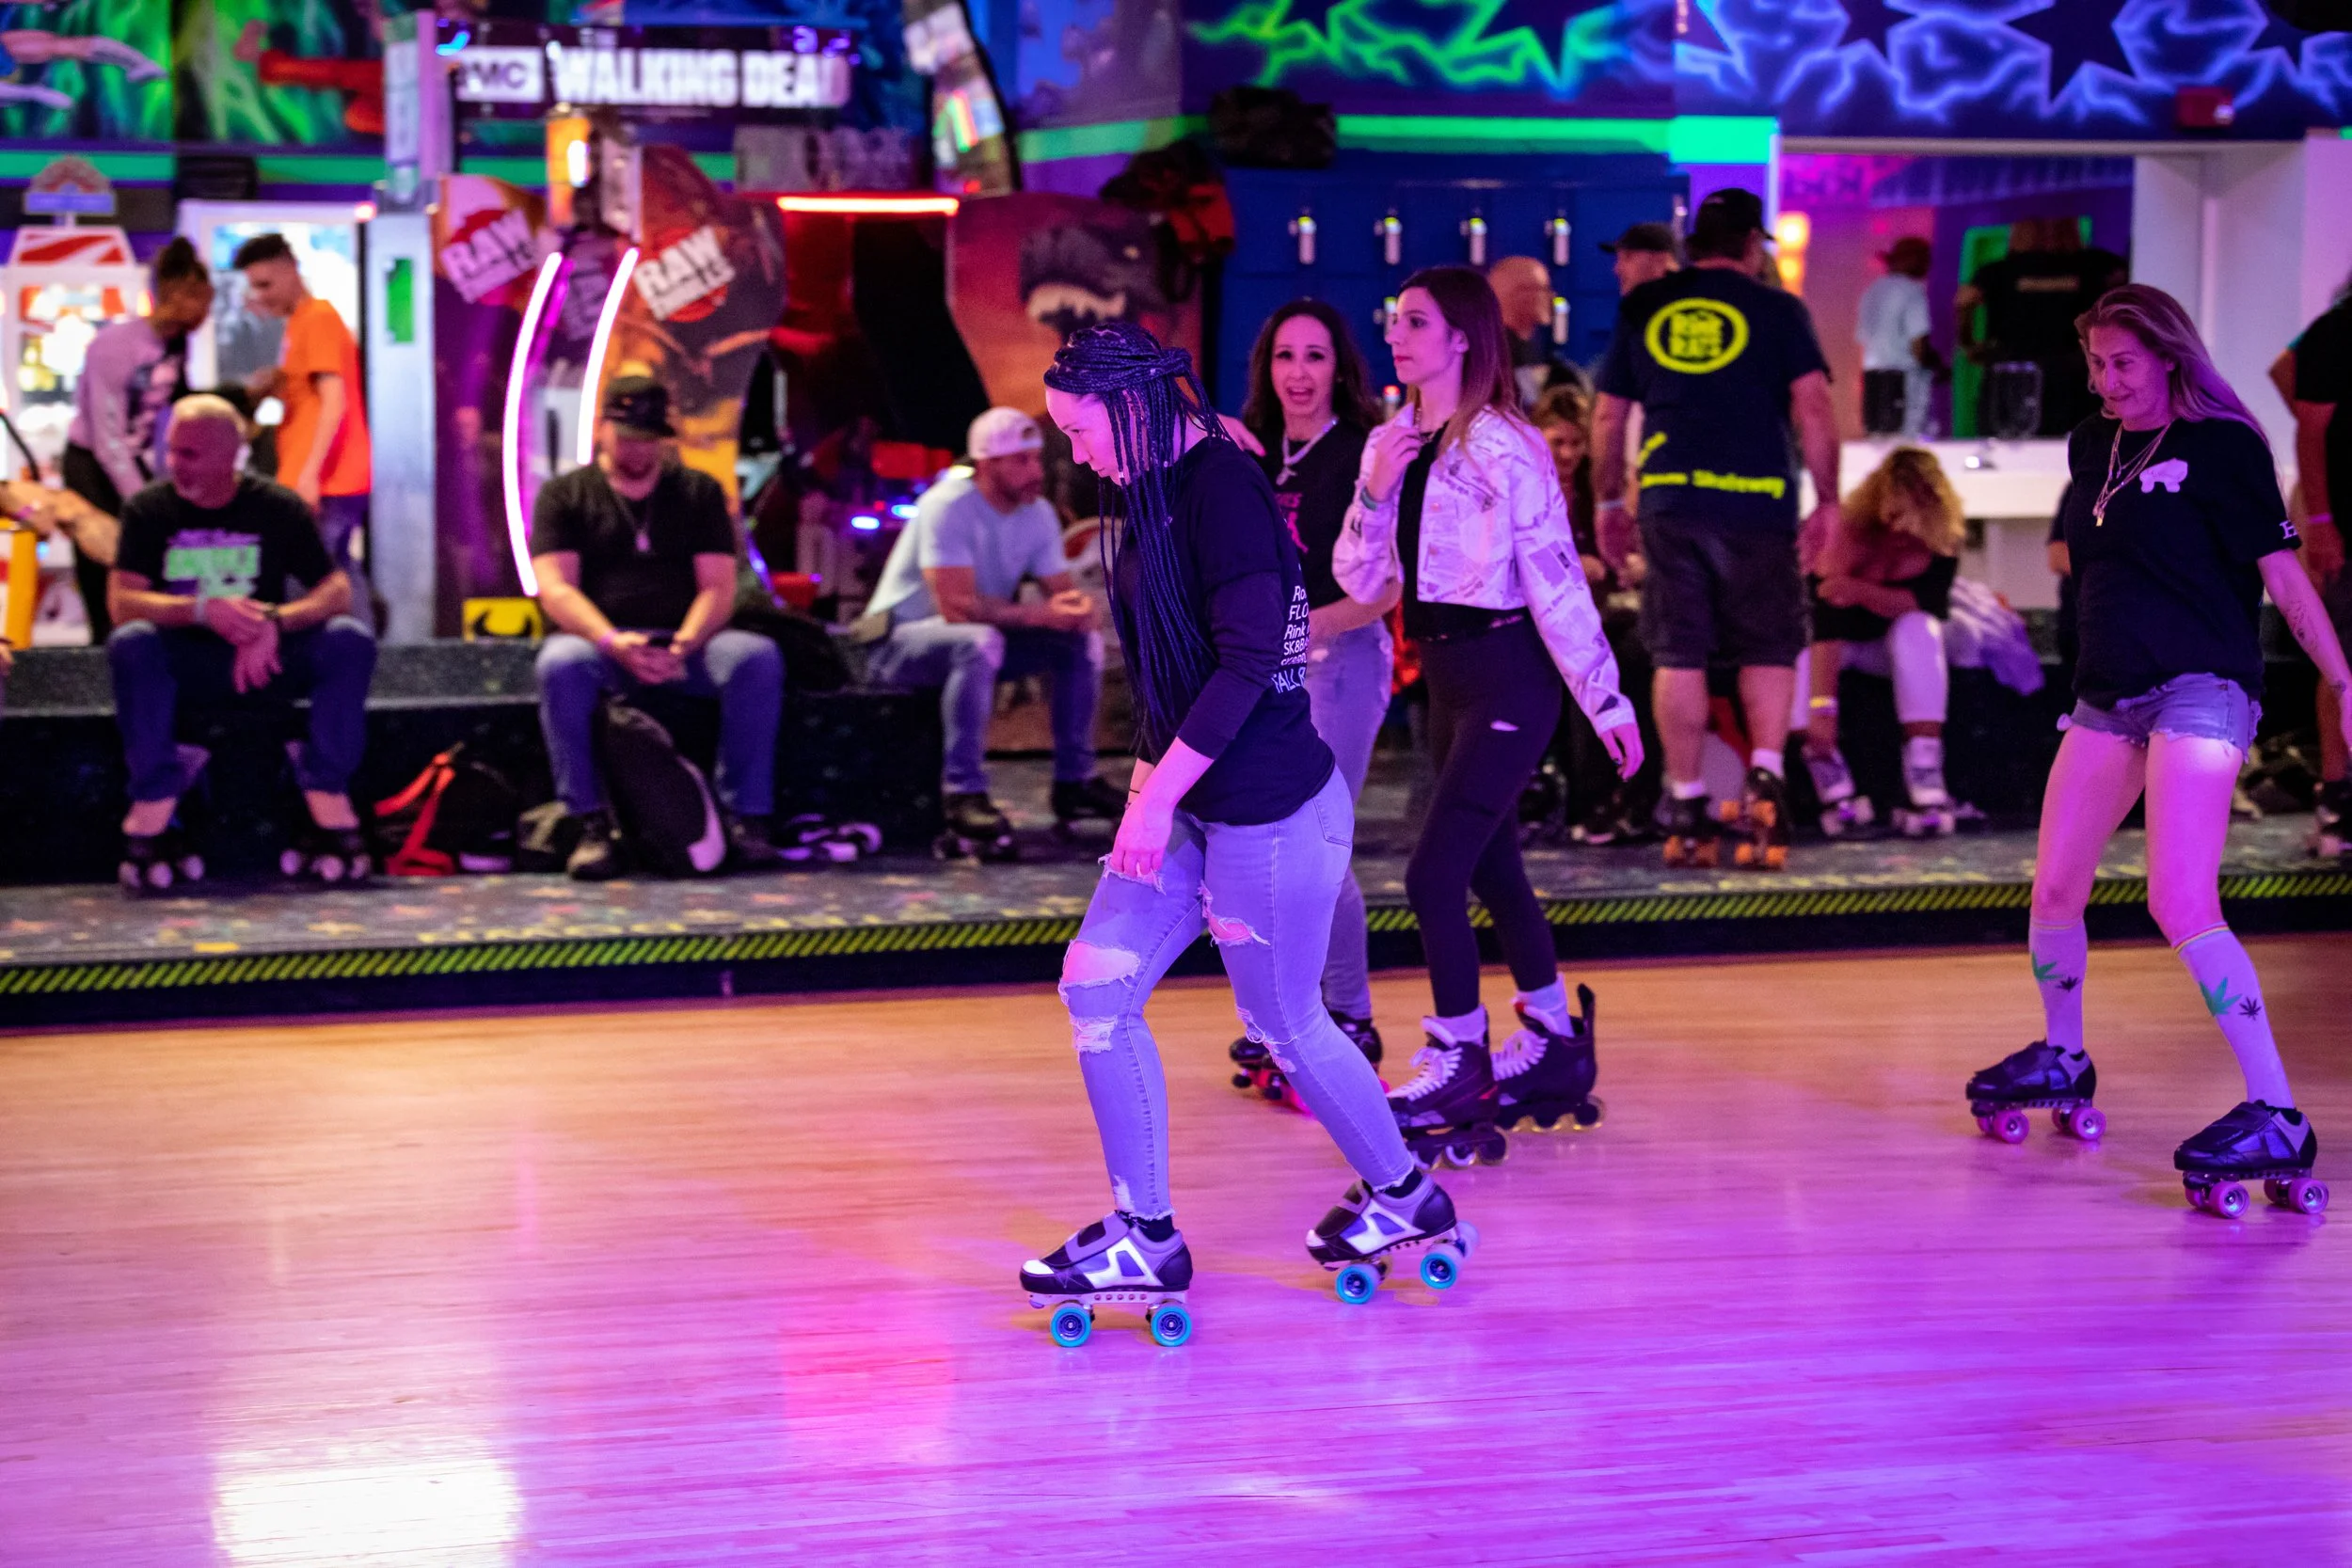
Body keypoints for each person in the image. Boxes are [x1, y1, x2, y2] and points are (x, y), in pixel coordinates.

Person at [1023, 320, 1469, 1336]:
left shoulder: (1220, 491)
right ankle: (1146, 1231)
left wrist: (1147, 801)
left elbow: (1242, 666)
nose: (1074, 454)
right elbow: (1164, 682)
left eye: (1081, 431)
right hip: (1194, 802)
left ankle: (1405, 1194)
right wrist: (1152, 793)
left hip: (1270, 810)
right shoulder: (1153, 485)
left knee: (1285, 1025)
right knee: (1095, 983)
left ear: (1132, 411)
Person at [1965, 284, 2352, 1214]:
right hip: (2105, 694)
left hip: (2201, 689)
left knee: (2178, 894)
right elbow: (2087, 559)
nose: (2106, 381)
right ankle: (2063, 1052)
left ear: (2169, 356)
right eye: (2096, 364)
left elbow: (2281, 577)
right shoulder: (2091, 443)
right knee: (2055, 885)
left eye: (2122, 363)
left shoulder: (2225, 446)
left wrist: (2341, 681)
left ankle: (2276, 1108)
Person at [1336, 266, 1641, 1156]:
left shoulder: (1508, 446)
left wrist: (1604, 697)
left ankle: (1459, 1054)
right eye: (1394, 320)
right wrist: (1372, 489)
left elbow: (1554, 577)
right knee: (1494, 867)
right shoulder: (1390, 441)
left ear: (1463, 337)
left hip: (1511, 674)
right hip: (1445, 678)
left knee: (1433, 873)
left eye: (1418, 322)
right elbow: (1360, 578)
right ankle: (1550, 1038)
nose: (1398, 335)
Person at [1592, 186, 1841, 871]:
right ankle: (1765, 772)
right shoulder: (1779, 309)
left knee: (1680, 650)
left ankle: (1687, 795)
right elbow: (1814, 405)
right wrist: (1828, 499)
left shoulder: (1644, 305)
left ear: (1696, 243)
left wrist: (1608, 504)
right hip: (1758, 498)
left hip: (1671, 498)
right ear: (1752, 245)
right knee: (1767, 641)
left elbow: (1609, 417)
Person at [1222, 297, 1394, 1085]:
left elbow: (1388, 583)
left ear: (1340, 367)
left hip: (1343, 659)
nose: (1298, 372)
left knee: (1319, 841)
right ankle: (1277, 1015)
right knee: (1259, 845)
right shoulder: (1254, 451)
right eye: (1285, 356)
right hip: (1268, 667)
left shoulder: (1362, 453)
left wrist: (1312, 625)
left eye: (1315, 356)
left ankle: (1350, 1014)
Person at [105, 395, 376, 889]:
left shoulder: (276, 507)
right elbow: (122, 602)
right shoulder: (150, 510)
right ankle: (154, 792)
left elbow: (335, 591)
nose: (174, 465)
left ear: (229, 456)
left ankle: (325, 784)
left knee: (349, 639)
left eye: (190, 454)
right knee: (133, 641)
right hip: (188, 656)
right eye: (172, 451)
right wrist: (204, 611)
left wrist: (275, 621)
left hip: (264, 657)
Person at [531, 376, 785, 880]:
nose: (637, 448)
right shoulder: (565, 495)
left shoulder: (697, 492)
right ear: (603, 429)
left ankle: (745, 817)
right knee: (560, 663)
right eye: (626, 435)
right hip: (603, 644)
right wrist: (612, 640)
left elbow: (717, 587)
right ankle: (589, 822)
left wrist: (687, 642)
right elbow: (556, 588)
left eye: (647, 437)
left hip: (687, 642)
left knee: (754, 657)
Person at [864, 407, 1120, 857]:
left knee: (1078, 639)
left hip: (974, 640)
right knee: (979, 641)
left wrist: (1078, 608)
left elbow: (1059, 590)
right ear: (987, 464)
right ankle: (962, 792)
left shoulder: (1036, 512)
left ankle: (1074, 782)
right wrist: (1042, 614)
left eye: (1036, 459)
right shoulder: (948, 505)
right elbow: (956, 606)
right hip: (898, 642)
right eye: (1021, 461)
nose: (1035, 471)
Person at [1793, 447, 1964, 836]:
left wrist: (1857, 589)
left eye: (1913, 521)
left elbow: (1926, 604)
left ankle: (1925, 773)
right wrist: (1823, 706)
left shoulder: (1942, 541)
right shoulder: (1846, 533)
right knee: (1796, 654)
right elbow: (1824, 619)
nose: (1901, 531)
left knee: (1919, 630)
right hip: (1830, 643)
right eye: (1894, 516)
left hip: (1887, 645)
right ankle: (1830, 778)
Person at [60, 236, 214, 642]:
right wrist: (142, 501)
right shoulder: (114, 347)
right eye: (202, 299)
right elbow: (108, 438)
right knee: (105, 563)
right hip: (91, 463)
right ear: (178, 294)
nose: (207, 311)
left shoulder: (177, 342)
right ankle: (102, 653)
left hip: (131, 458)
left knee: (146, 563)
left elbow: (179, 404)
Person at [1533, 383, 1657, 843]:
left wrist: (1630, 565)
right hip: (1547, 619)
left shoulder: (1602, 489)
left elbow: (1639, 551)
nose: (1567, 454)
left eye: (1575, 443)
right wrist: (1572, 568)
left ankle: (1638, 796)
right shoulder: (1526, 489)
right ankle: (1592, 802)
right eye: (1557, 442)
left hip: (1608, 611)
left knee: (1642, 658)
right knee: (1591, 662)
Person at [232, 232, 373, 626]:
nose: (260, 295)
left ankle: (348, 660)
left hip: (327, 479)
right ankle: (363, 662)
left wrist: (310, 474)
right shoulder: (301, 322)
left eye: (266, 284)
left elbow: (334, 400)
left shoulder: (317, 318)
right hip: (323, 477)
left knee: (316, 577)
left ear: (291, 269)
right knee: (334, 570)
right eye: (254, 287)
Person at [2268, 276, 2351, 855]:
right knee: (2344, 659)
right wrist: (2320, 523)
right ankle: (2338, 798)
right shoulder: (2340, 325)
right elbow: (2306, 417)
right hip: (2344, 517)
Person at [1955, 218, 2126, 438]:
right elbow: (2127, 297)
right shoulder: (2099, 265)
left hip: (2013, 370)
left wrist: (1969, 344)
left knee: (2009, 445)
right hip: (2073, 371)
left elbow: (1963, 302)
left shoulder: (1998, 270)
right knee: (2075, 443)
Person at [1857, 236, 1935, 437]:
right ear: (1910, 259)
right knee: (1907, 442)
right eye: (1924, 259)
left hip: (1873, 378)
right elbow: (1918, 345)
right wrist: (1937, 367)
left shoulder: (1871, 292)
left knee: (1877, 442)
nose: (1928, 265)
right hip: (1904, 380)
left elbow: (1864, 339)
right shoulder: (1911, 291)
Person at [1488, 255, 1586, 409]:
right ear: (1520, 295)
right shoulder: (1501, 362)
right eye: (1543, 289)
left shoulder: (1538, 358)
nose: (1552, 297)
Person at [1602, 222, 1679, 298]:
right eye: (1618, 259)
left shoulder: (1683, 304)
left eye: (1627, 257)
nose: (1617, 270)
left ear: (1660, 260)